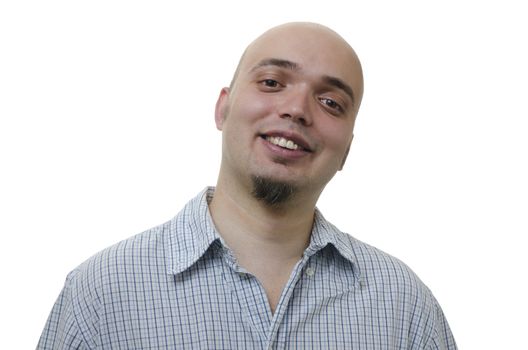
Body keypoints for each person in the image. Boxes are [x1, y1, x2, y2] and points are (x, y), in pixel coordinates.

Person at [38, 22, 457, 349]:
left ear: (347, 149)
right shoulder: (100, 293)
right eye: (272, 82)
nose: (296, 110)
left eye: (331, 102)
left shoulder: (405, 307)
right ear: (223, 107)